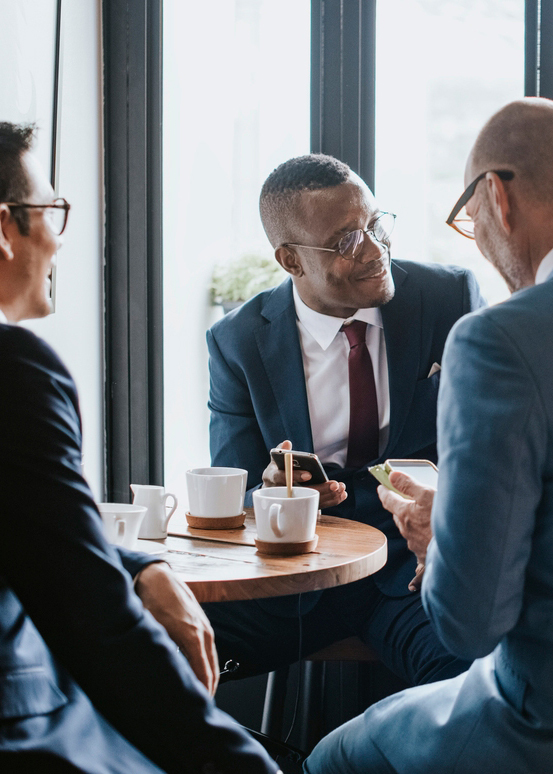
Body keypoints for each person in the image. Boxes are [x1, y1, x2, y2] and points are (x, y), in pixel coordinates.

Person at [0, 122, 278, 774]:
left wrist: (138, 566)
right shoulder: (13, 371)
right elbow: (91, 618)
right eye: (50, 211)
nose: (59, 235)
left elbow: (30, 531)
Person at [304, 97, 553, 774]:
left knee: (333, 759)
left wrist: (439, 535)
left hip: (534, 718)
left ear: (496, 199)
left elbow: (471, 622)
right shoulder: (240, 338)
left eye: (468, 221)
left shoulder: (498, 338)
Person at [203, 153, 484, 688]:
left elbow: (495, 442)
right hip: (299, 579)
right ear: (290, 261)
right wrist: (271, 494)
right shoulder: (238, 342)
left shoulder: (448, 297)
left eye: (377, 226)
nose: (376, 251)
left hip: (413, 570)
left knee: (466, 679)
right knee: (161, 651)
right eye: (347, 241)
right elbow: (235, 487)